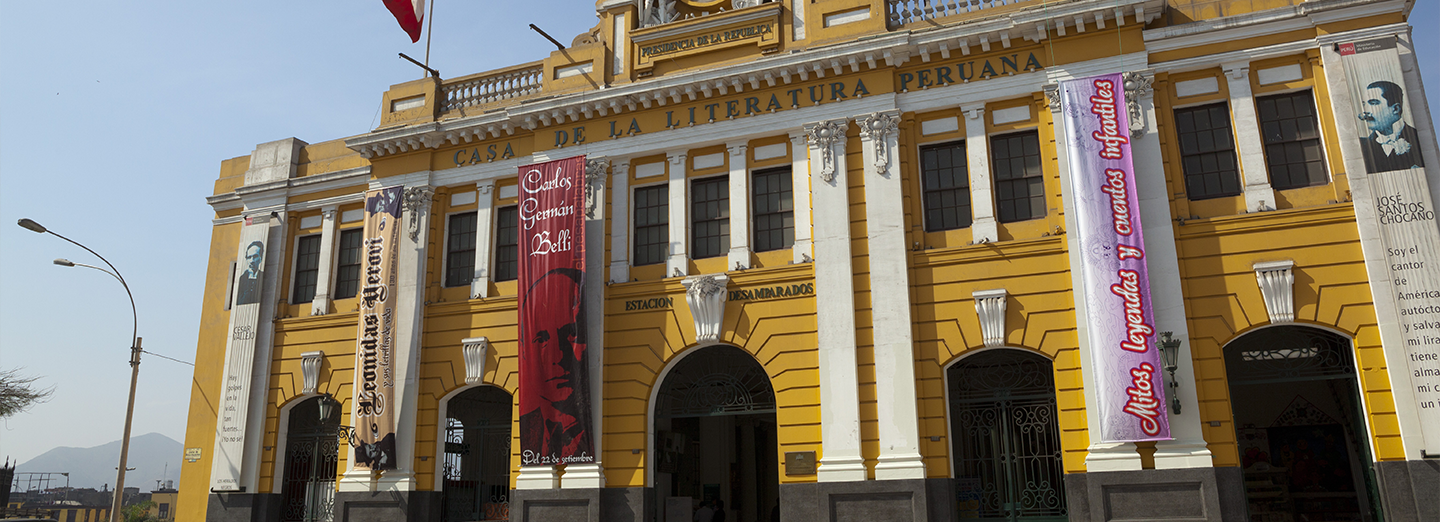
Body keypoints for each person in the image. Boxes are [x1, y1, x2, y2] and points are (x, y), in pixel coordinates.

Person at [518, 268, 594, 464]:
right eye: (541, 339)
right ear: (524, 349)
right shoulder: (528, 429)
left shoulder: (597, 422)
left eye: (570, 334)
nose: (557, 356)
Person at [1358, 80, 1425, 173]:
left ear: (1395, 108)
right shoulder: (1360, 145)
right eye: (1364, 104)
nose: (1365, 111)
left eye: (1373, 103)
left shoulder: (1419, 138)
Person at [235, 240, 264, 305]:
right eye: (249, 257)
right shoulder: (242, 279)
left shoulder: (264, 276)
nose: (252, 261)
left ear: (261, 258)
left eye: (255, 257)